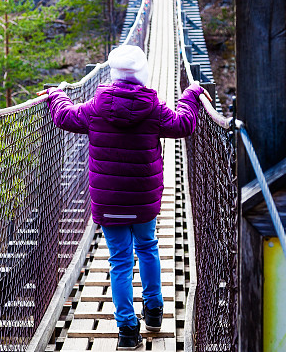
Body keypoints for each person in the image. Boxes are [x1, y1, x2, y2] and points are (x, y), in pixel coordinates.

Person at [43, 44, 204, 350]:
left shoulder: (95, 107)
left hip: (110, 203)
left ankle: (127, 330)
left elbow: (63, 117)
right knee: (147, 246)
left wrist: (56, 95)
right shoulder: (154, 109)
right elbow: (184, 124)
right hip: (143, 200)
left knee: (119, 260)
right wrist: (190, 96)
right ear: (143, 74)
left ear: (113, 73)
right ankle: (155, 312)